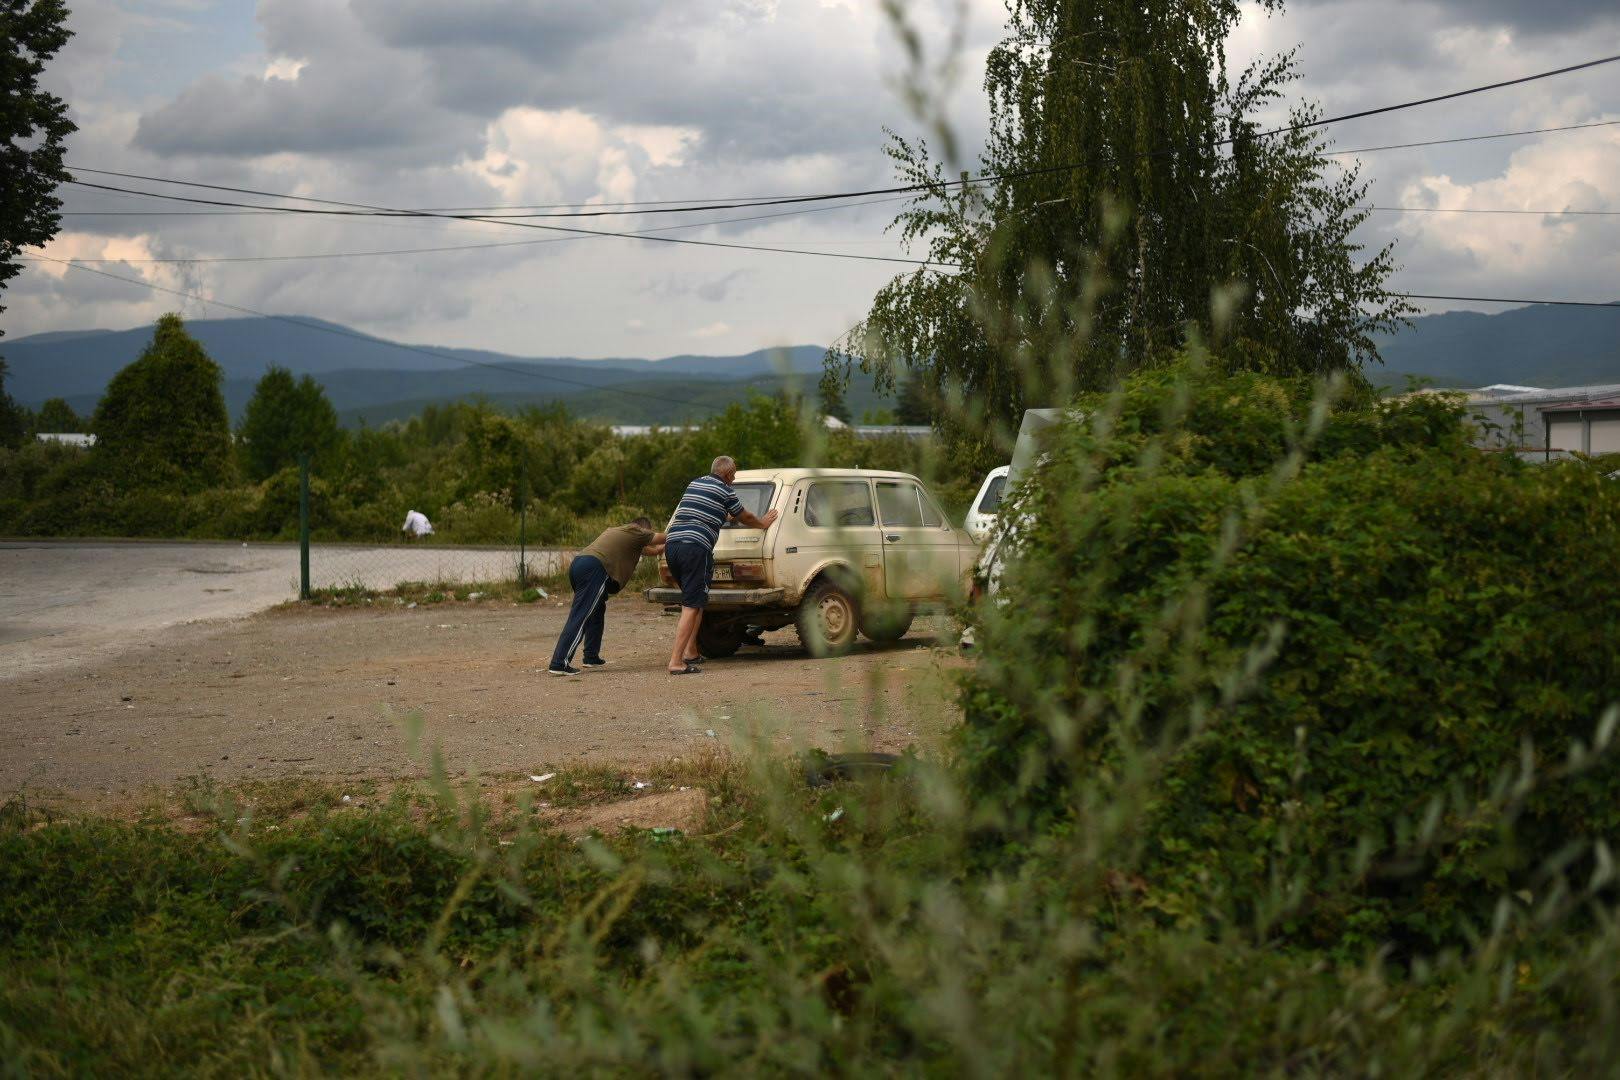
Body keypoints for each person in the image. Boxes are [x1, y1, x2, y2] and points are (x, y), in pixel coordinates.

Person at [664, 455, 779, 675]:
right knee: (691, 605)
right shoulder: (726, 490)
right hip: (696, 547)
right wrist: (762, 522)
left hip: (673, 545)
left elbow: (706, 511)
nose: (734, 479)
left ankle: (690, 652)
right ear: (727, 474)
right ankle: (676, 662)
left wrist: (729, 517)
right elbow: (745, 515)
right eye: (733, 474)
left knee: (694, 601)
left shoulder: (695, 483)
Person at [548, 516, 666, 676]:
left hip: (580, 564)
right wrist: (686, 532)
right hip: (595, 568)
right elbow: (663, 537)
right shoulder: (637, 532)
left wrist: (661, 549)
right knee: (581, 615)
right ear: (644, 529)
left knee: (596, 610)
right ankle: (559, 663)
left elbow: (652, 550)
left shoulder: (622, 533)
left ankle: (591, 657)